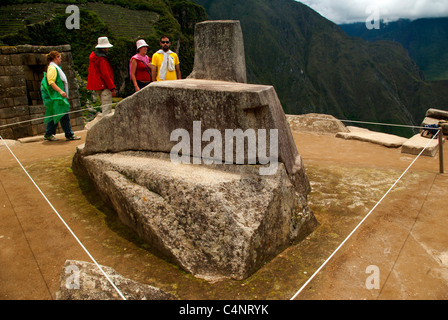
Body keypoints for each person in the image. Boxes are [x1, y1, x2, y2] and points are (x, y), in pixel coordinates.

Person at [40, 51, 80, 141]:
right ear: (56, 58)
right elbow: (51, 82)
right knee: (63, 114)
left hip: (56, 96)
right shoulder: (53, 68)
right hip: (56, 96)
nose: (60, 59)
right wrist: (61, 91)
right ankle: (68, 134)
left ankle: (49, 133)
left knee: (56, 113)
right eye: (59, 57)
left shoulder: (54, 68)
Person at [86, 36, 116, 115]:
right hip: (104, 86)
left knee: (104, 107)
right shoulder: (101, 59)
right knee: (106, 110)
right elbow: (105, 74)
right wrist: (112, 88)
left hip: (98, 86)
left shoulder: (94, 58)